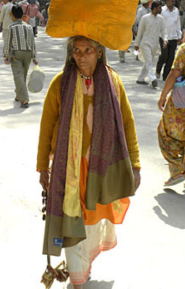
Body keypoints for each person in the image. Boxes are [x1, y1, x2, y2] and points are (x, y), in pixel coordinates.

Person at [37, 35, 141, 289]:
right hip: (67, 168)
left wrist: (135, 164)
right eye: (76, 50)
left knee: (91, 223)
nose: (81, 56)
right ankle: (77, 279)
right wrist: (43, 166)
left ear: (99, 53)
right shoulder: (60, 84)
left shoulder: (113, 81)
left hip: (100, 168)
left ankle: (82, 269)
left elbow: (127, 122)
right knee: (71, 222)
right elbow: (46, 126)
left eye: (88, 50)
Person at [157, 23, 185, 191]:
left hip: (180, 104)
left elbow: (174, 73)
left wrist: (163, 95)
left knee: (165, 133)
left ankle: (177, 170)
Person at [3, 5, 37, 108]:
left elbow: (7, 43)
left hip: (16, 54)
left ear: (12, 15)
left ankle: (24, 99)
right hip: (27, 54)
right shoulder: (29, 27)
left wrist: (6, 56)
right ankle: (18, 95)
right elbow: (32, 42)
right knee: (23, 75)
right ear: (22, 15)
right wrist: (34, 57)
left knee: (18, 76)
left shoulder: (11, 28)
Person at [134, 1, 167, 88]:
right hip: (145, 43)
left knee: (148, 62)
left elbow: (164, 30)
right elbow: (140, 31)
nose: (161, 9)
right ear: (155, 8)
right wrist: (136, 43)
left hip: (154, 44)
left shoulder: (161, 19)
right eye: (159, 8)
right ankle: (153, 79)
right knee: (149, 61)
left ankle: (140, 79)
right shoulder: (145, 18)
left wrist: (165, 40)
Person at [156, 0, 182, 80]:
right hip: (164, 37)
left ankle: (165, 75)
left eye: (174, 1)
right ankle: (158, 70)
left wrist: (179, 36)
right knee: (164, 55)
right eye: (172, 1)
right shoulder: (162, 10)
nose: (173, 3)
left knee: (171, 58)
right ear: (167, 2)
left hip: (173, 37)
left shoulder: (176, 10)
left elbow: (178, 24)